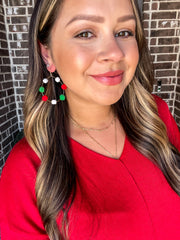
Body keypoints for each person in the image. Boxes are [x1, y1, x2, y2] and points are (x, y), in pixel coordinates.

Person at [0, 0, 180, 239]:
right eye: (85, 33)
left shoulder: (157, 117)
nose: (115, 53)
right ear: (47, 53)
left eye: (124, 32)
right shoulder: (27, 170)